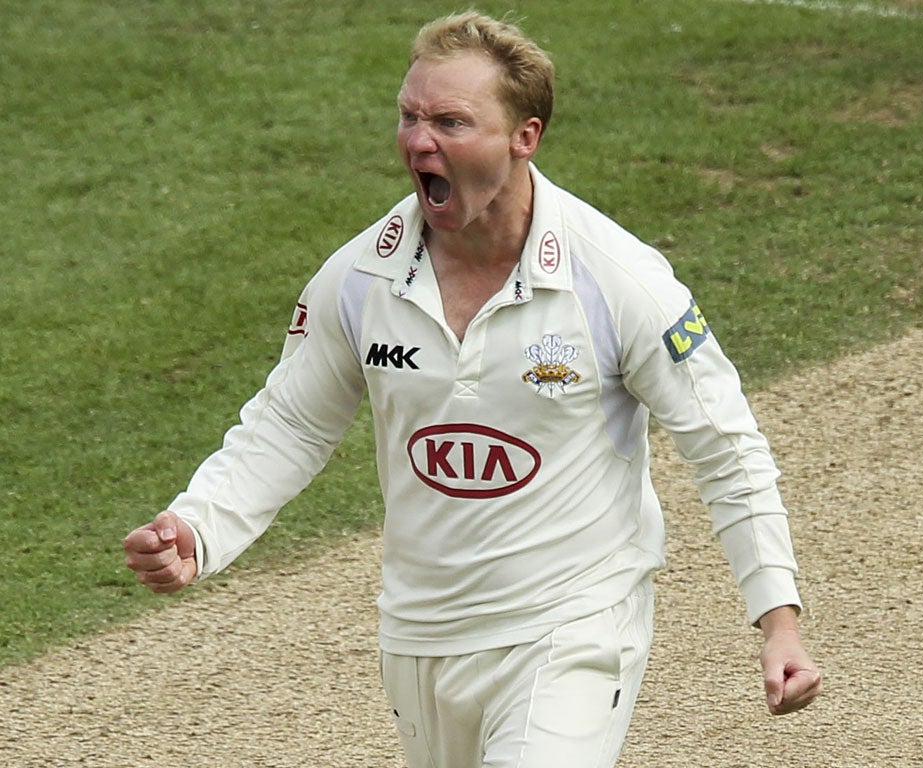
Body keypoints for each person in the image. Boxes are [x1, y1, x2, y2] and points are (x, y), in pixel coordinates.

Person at [124, 11, 821, 767]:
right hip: (420, 637)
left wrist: (777, 619)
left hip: (573, 623)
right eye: (409, 116)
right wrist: (199, 526)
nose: (420, 141)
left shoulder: (617, 280)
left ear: (525, 136)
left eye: (451, 121)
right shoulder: (359, 280)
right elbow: (288, 425)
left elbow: (725, 446)